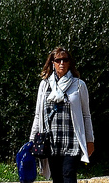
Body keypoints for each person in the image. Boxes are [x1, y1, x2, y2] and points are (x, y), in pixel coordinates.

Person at [30, 46, 94, 183]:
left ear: (69, 62)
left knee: (69, 175)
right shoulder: (44, 85)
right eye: (58, 60)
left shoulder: (79, 85)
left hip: (72, 141)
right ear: (52, 63)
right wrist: (32, 140)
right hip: (51, 142)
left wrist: (90, 140)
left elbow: (86, 115)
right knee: (57, 178)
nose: (62, 63)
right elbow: (38, 115)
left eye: (65, 60)